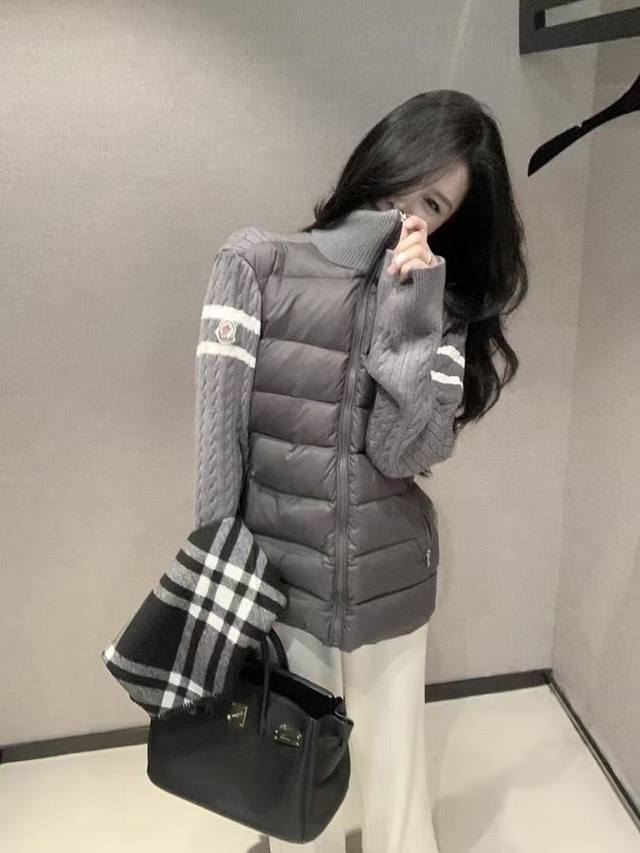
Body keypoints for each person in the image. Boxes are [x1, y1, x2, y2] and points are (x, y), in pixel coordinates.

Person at [193, 90, 528, 853]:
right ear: (381, 155)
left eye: (434, 204)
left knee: (397, 790)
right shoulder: (254, 265)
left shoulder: (441, 308)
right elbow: (217, 449)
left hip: (392, 576)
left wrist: (412, 321)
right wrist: (221, 585)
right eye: (408, 180)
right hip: (284, 579)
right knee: (291, 778)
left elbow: (403, 453)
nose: (408, 211)